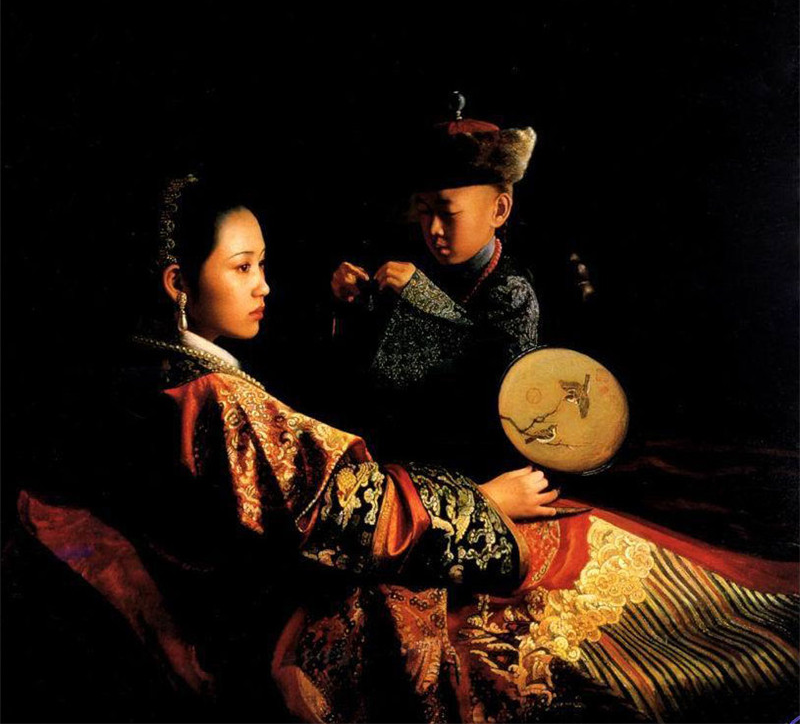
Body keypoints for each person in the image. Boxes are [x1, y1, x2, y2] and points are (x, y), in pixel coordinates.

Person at [13, 174, 560, 720]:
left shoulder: (150, 362)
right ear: (178, 282)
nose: (264, 287)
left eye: (263, 265)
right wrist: (485, 500)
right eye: (243, 267)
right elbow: (354, 512)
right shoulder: (209, 396)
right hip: (248, 623)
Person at [329, 99, 541, 479]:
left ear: (499, 210)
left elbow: (494, 401)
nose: (434, 230)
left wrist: (422, 298)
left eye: (448, 213)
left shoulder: (513, 292)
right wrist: (352, 301)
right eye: (425, 212)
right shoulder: (415, 265)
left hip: (476, 474)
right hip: (398, 461)